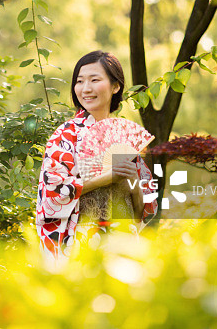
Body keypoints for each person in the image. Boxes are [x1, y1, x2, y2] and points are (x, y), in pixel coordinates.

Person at [35, 50, 157, 267]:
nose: (86, 88)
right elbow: (52, 196)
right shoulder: (65, 135)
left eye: (94, 80)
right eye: (80, 81)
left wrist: (135, 185)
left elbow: (141, 212)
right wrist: (107, 177)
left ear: (115, 86)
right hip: (82, 244)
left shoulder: (124, 138)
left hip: (122, 243)